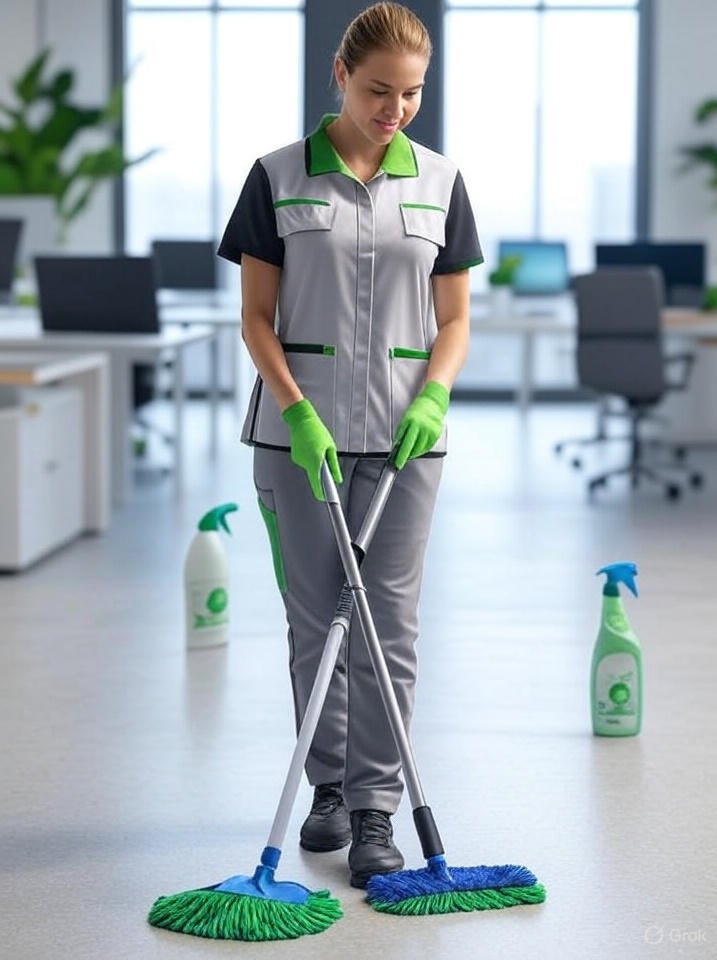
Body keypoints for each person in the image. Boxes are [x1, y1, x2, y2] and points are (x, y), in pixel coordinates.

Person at [217, 1, 483, 889]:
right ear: (341, 75)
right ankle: (326, 788)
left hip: (405, 444)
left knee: (388, 626)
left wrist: (435, 396)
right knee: (313, 620)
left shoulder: (441, 183)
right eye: (379, 90)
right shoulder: (277, 175)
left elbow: (454, 320)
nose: (394, 109)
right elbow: (257, 317)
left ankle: (376, 806)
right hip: (301, 437)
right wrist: (294, 410)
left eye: (411, 94)